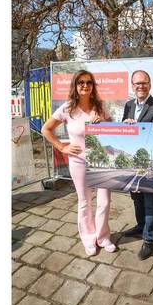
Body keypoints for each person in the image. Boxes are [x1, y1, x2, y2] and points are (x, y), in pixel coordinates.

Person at [42, 70, 116, 256]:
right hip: (78, 161)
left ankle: (103, 237)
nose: (85, 85)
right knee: (84, 202)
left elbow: (114, 129)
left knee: (104, 201)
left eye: (89, 82)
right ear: (75, 85)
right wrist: (62, 147)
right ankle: (89, 239)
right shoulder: (67, 108)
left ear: (93, 86)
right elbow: (46, 129)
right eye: (81, 82)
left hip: (101, 161)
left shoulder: (100, 106)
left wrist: (103, 123)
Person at [121, 70, 153, 260]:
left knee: (149, 200)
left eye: (144, 83)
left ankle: (149, 240)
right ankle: (140, 226)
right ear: (132, 86)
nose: (140, 86)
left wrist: (136, 129)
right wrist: (125, 125)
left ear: (150, 84)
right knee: (136, 197)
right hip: (133, 161)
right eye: (137, 83)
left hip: (148, 163)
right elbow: (124, 130)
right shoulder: (129, 105)